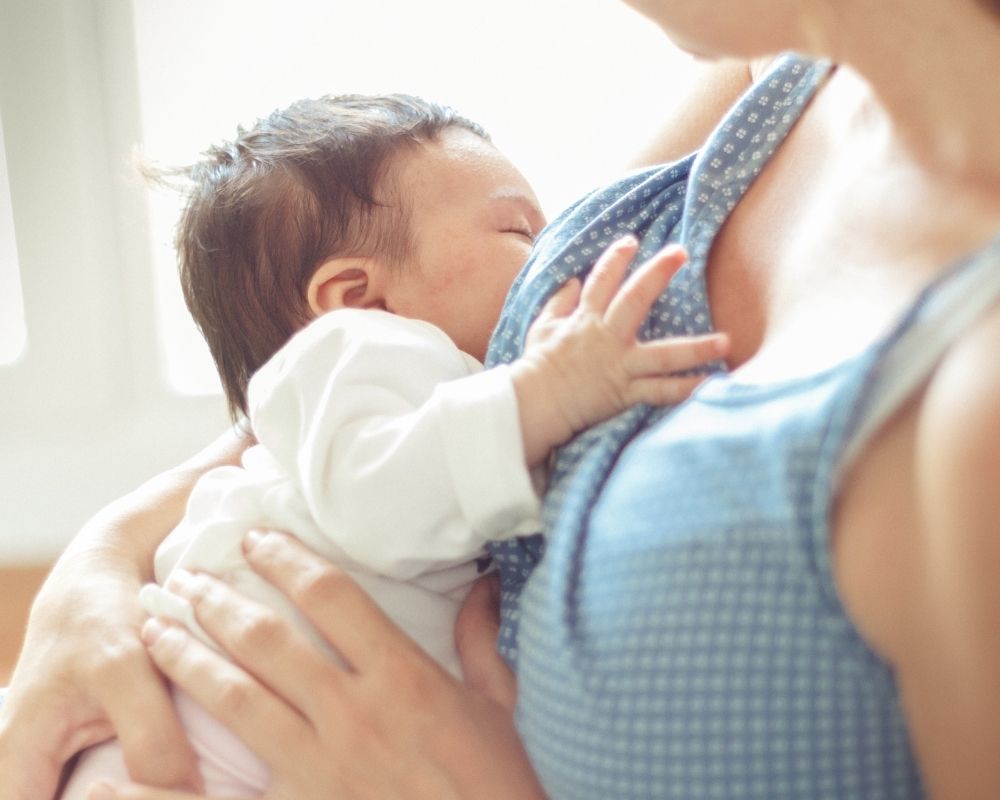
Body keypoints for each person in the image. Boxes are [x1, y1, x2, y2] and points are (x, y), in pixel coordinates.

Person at [2, 0, 999, 796]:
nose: (537, 250)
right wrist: (102, 557)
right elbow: (343, 431)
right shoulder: (769, 86)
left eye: (528, 232)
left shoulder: (967, 385)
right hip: (196, 719)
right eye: (517, 233)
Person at [54, 94, 726, 797]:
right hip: (179, 750)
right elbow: (377, 499)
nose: (556, 255)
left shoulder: (437, 394)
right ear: (359, 296)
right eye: (520, 231)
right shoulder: (355, 352)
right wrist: (548, 393)